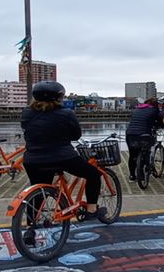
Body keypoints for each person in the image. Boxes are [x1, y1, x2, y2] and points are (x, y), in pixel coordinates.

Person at [19, 81, 102, 230]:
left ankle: (30, 227)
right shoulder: (66, 113)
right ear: (59, 97)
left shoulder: (27, 113)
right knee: (93, 174)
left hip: (32, 160)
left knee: (38, 190)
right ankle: (91, 210)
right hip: (62, 157)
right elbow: (76, 135)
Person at [125, 96, 162, 182]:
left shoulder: (137, 109)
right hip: (144, 134)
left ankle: (132, 176)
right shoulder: (155, 110)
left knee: (132, 155)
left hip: (130, 133)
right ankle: (141, 174)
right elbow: (158, 121)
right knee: (145, 151)